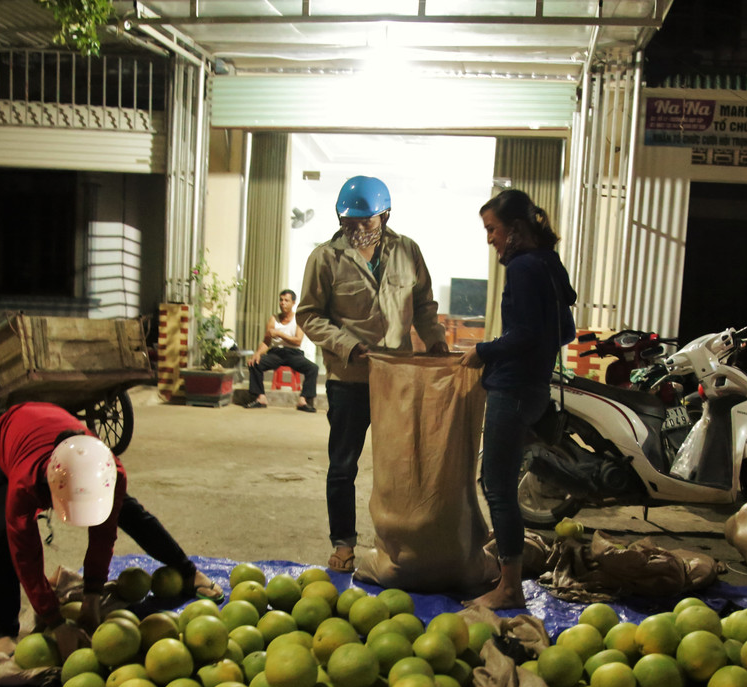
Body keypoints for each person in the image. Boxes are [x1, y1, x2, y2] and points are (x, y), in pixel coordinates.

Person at [0, 401, 220, 655]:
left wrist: (92, 594)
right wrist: (55, 621)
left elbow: (104, 535)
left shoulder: (109, 471)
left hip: (47, 427)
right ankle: (4, 632)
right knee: (5, 536)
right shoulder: (25, 484)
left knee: (129, 511)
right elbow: (25, 554)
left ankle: (188, 571)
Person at [296, 175, 449, 572]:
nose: (356, 230)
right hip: (349, 380)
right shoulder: (324, 258)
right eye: (348, 222)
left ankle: (397, 543)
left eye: (365, 222)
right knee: (343, 465)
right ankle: (343, 543)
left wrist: (434, 340)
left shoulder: (408, 252)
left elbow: (424, 304)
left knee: (399, 467)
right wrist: (348, 346)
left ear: (385, 216)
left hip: (397, 379)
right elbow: (309, 316)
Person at [459, 189, 577, 609]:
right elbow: (564, 332)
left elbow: (524, 334)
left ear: (516, 230)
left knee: (498, 487)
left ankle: (509, 588)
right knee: (503, 482)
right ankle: (506, 570)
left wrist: (484, 351)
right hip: (537, 389)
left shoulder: (524, 268)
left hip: (512, 390)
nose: (489, 238)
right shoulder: (549, 265)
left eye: (492, 229)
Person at [244, 288, 320, 412]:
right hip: (276, 353)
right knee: (254, 363)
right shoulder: (273, 319)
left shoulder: (298, 319)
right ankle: (260, 398)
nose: (283, 303)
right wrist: (257, 354)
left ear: (293, 303)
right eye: (281, 300)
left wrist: (279, 333)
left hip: (294, 353)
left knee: (313, 368)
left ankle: (303, 400)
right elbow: (266, 342)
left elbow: (297, 340)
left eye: (286, 300)